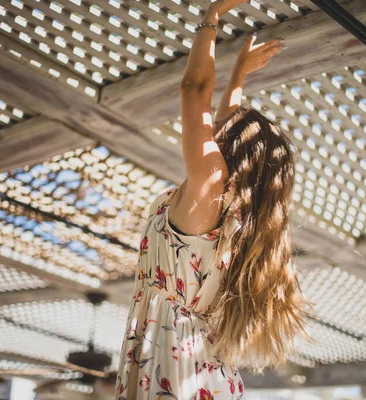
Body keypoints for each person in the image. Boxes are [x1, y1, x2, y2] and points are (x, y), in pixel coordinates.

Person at [115, 1, 312, 398]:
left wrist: (213, 14)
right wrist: (238, 74)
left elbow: (194, 90)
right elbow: (220, 119)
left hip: (176, 359)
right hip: (198, 363)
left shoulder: (210, 187)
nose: (210, 127)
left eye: (220, 128)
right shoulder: (232, 214)